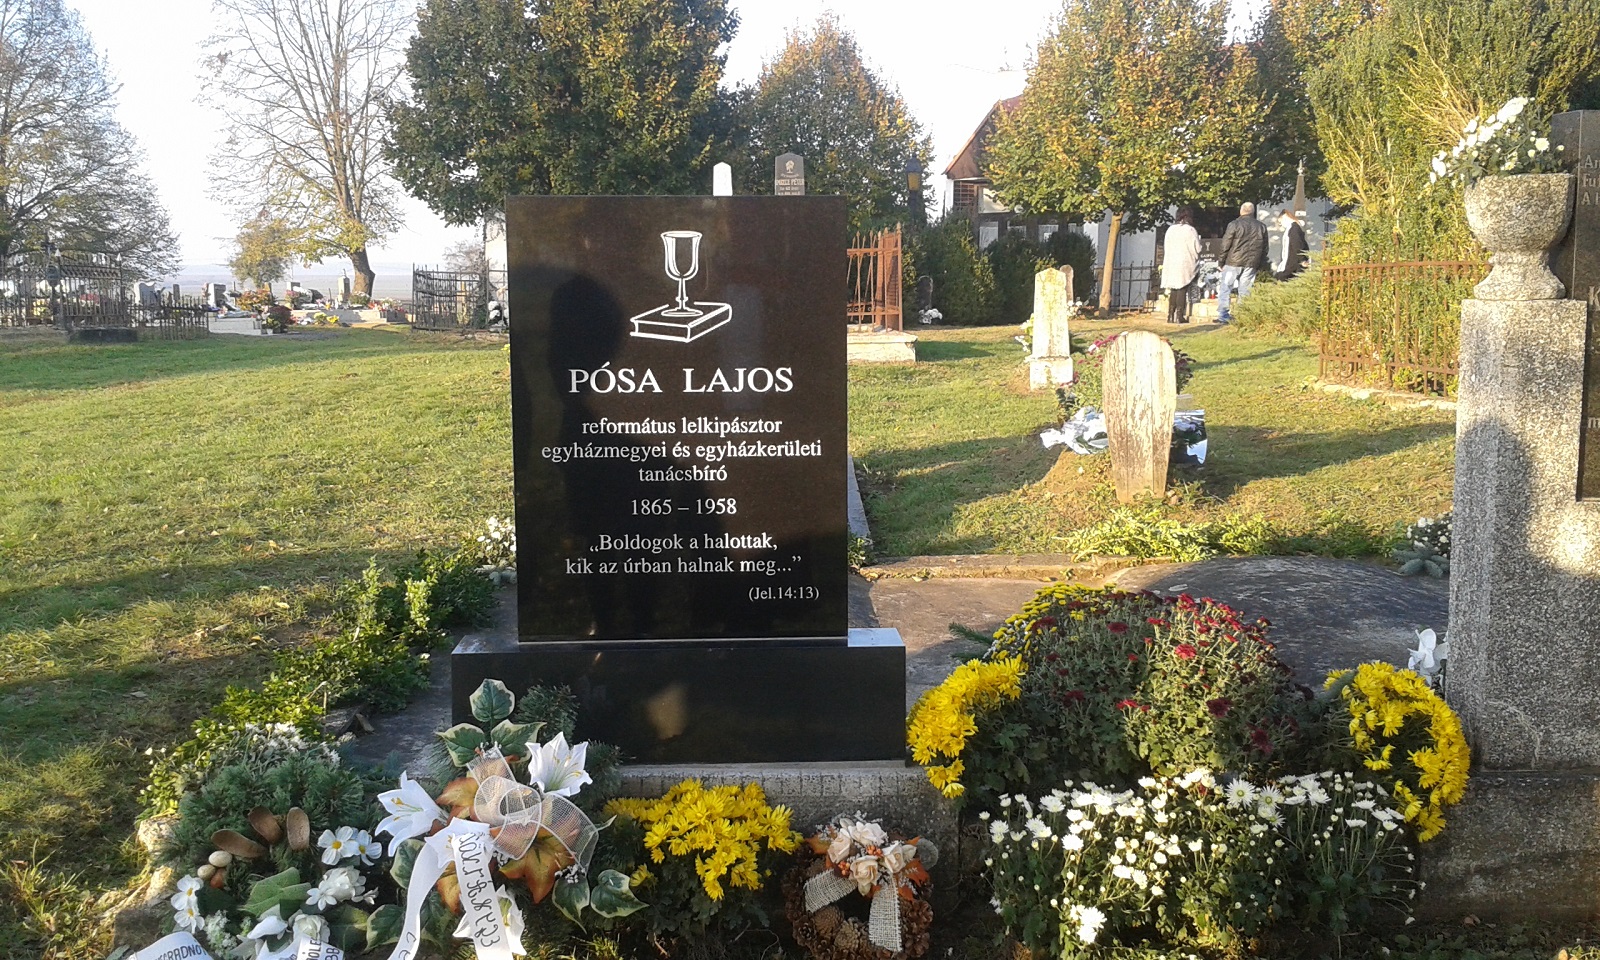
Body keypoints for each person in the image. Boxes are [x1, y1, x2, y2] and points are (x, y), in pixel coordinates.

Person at [1217, 201, 1268, 323]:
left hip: (1233, 261)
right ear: (1253, 211)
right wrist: (1259, 264)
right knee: (1245, 290)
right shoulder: (1261, 226)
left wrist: (1221, 262)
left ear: (1241, 211)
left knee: (1226, 288)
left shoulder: (1234, 224)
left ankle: (1223, 315)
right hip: (1251, 263)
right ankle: (1242, 316)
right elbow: (1265, 248)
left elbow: (1225, 244)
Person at [1160, 208, 1201, 324]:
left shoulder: (1171, 229)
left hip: (1171, 261)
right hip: (1184, 262)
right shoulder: (1190, 230)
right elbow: (1197, 248)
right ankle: (1179, 315)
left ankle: (1170, 315)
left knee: (1173, 288)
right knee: (1182, 288)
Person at [1273, 209, 1308, 281]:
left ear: (1283, 218)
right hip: (1292, 263)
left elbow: (1297, 245)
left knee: (1280, 279)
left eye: (1280, 222)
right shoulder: (1294, 228)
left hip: (1292, 263)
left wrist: (1302, 260)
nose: (1281, 225)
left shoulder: (1293, 229)